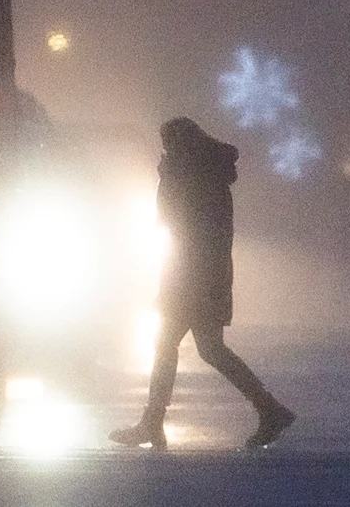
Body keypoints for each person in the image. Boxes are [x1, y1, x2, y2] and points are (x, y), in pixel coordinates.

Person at [111, 117, 295, 450]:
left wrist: (166, 178)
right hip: (204, 274)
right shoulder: (208, 173)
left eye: (168, 144)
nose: (165, 151)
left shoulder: (190, 176)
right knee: (205, 348)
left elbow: (170, 221)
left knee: (176, 345)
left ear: (179, 145)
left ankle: (155, 423)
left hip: (191, 275)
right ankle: (268, 409)